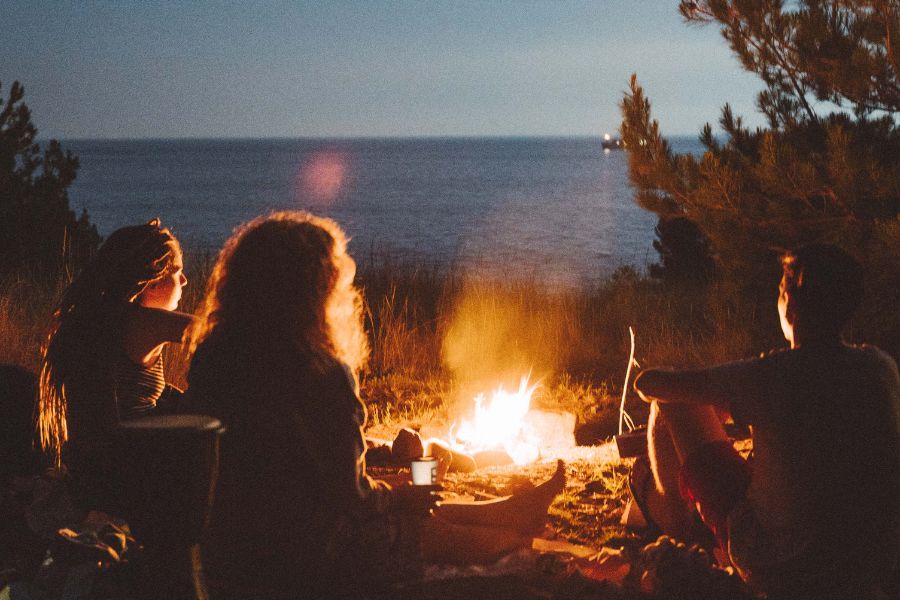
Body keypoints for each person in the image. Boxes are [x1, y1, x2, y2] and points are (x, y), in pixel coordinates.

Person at [184, 211, 565, 598]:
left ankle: (508, 509)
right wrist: (397, 496)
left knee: (411, 500)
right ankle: (513, 538)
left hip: (230, 540)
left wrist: (395, 493)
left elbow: (299, 475)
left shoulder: (212, 358)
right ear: (317, 289)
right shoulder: (319, 373)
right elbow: (352, 496)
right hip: (306, 551)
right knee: (431, 529)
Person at [633, 244, 900, 599]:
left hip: (782, 571)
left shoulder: (772, 374)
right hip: (869, 567)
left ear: (792, 301)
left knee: (672, 406)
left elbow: (649, 384)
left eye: (779, 290)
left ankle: (677, 532)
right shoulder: (879, 367)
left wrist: (718, 400)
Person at [37, 219, 194, 509]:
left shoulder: (94, 320)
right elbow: (219, 337)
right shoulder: (142, 322)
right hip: (132, 469)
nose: (184, 281)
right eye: (177, 271)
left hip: (94, 471)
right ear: (152, 280)